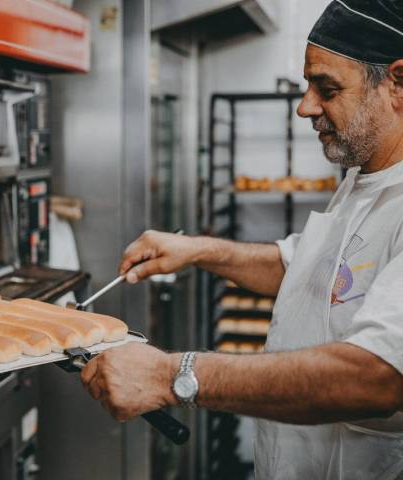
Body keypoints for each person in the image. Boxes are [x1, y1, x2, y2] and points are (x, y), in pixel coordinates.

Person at [80, 1, 403, 477]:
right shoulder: (365, 176)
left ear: (397, 83)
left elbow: (377, 377)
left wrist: (172, 375)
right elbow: (315, 272)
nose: (304, 106)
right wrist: (198, 250)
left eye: (327, 88)